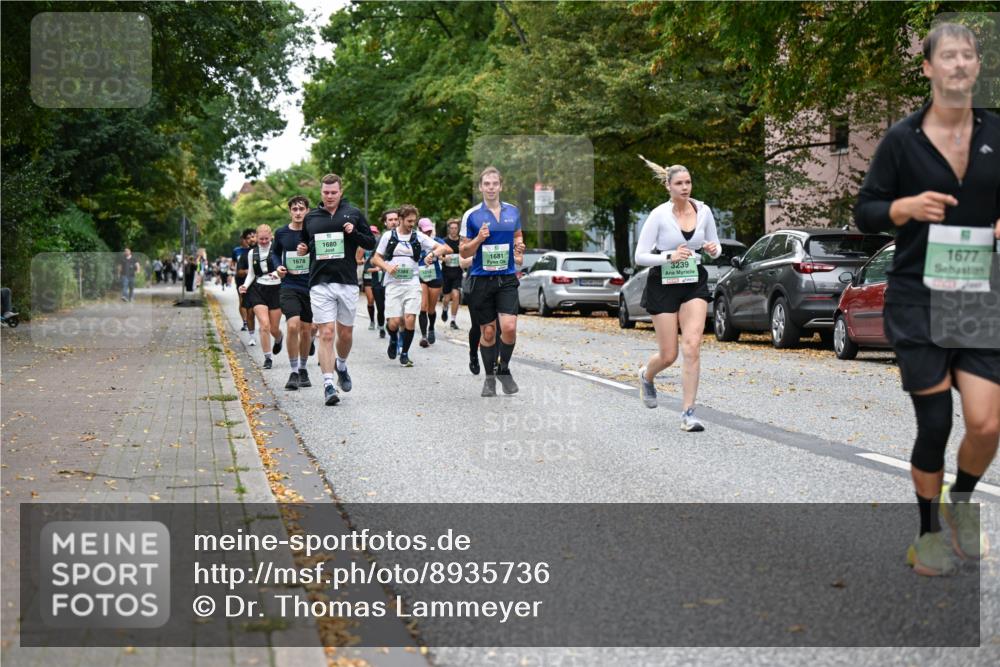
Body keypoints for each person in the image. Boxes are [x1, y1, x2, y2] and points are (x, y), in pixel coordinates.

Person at [854, 22, 1000, 576]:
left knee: (986, 424)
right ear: (929, 69)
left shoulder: (996, 134)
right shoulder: (902, 140)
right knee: (936, 422)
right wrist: (905, 208)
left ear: (977, 68)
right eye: (948, 56)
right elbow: (866, 213)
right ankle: (927, 533)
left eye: (968, 56)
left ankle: (961, 499)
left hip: (976, 293)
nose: (959, 64)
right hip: (917, 294)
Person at [633, 158, 721, 430]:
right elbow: (640, 256)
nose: (685, 187)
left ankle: (688, 413)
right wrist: (669, 256)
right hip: (663, 283)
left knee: (692, 345)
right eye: (679, 183)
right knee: (669, 355)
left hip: (693, 280)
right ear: (668, 186)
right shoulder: (658, 215)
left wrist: (712, 250)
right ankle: (647, 376)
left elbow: (716, 245)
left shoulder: (704, 211)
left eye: (688, 182)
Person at [297, 173, 376, 406]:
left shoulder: (353, 213)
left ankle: (341, 364)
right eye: (325, 192)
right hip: (320, 282)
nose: (329, 196)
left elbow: (370, 243)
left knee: (345, 334)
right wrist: (303, 250)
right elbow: (306, 244)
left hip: (347, 281)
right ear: (321, 193)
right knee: (326, 333)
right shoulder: (311, 218)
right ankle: (328, 384)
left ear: (340, 192)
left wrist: (355, 232)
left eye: (333, 192)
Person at [460, 166, 526, 397]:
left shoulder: (513, 212)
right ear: (480, 187)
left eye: (494, 184)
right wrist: (478, 239)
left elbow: (518, 237)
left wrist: (519, 249)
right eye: (486, 184)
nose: (490, 188)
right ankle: (490, 379)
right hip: (481, 280)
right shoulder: (472, 215)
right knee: (488, 333)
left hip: (506, 278)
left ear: (501, 186)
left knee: (509, 328)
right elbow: (464, 252)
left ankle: (504, 369)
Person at [372, 205, 450, 367]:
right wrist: (387, 267)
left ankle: (405, 353)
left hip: (412, 282)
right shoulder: (388, 236)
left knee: (409, 319)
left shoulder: (418, 236)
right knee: (394, 322)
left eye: (414, 221)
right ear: (400, 219)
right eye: (408, 221)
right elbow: (376, 258)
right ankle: (393, 340)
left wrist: (432, 254)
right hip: (393, 283)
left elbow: (443, 248)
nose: (411, 224)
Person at [273, 196, 315, 389]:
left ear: (307, 210)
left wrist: (309, 249)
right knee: (292, 326)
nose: (298, 213)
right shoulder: (281, 232)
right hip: (289, 285)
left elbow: (323, 253)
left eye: (301, 209)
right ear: (290, 211)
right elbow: (274, 253)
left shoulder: (313, 232)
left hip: (310, 286)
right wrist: (279, 266)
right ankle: (293, 372)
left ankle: (303, 367)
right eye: (294, 209)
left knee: (306, 331)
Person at [239, 224, 284, 368]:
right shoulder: (252, 253)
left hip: (276, 289)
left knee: (273, 329)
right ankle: (268, 358)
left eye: (266, 239)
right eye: (261, 239)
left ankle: (279, 338)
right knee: (264, 325)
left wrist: (277, 274)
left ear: (271, 236)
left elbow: (283, 268)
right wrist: (245, 286)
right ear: (256, 238)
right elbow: (251, 273)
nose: (264, 241)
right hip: (258, 289)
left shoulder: (278, 249)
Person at [417, 217, 445, 348]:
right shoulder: (416, 241)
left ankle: (431, 328)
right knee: (423, 306)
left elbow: (446, 251)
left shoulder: (437, 241)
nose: (427, 233)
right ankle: (423, 337)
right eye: (425, 231)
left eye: (429, 231)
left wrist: (440, 255)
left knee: (431, 309)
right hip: (421, 276)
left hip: (435, 276)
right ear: (419, 230)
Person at [440, 218, 464, 329]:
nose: (454, 230)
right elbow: (438, 254)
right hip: (446, 272)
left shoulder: (462, 241)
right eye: (452, 228)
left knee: (456, 295)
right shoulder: (444, 241)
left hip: (457, 272)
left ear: (458, 229)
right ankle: (445, 309)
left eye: (456, 228)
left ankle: (453, 320)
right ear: (449, 229)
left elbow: (467, 253)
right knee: (446, 298)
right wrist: (444, 259)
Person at [234, 229, 256, 333]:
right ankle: (245, 321)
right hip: (241, 280)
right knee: (243, 301)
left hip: (256, 282)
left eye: (253, 236)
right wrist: (248, 271)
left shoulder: (262, 249)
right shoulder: (238, 251)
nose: (251, 239)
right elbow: (235, 266)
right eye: (247, 237)